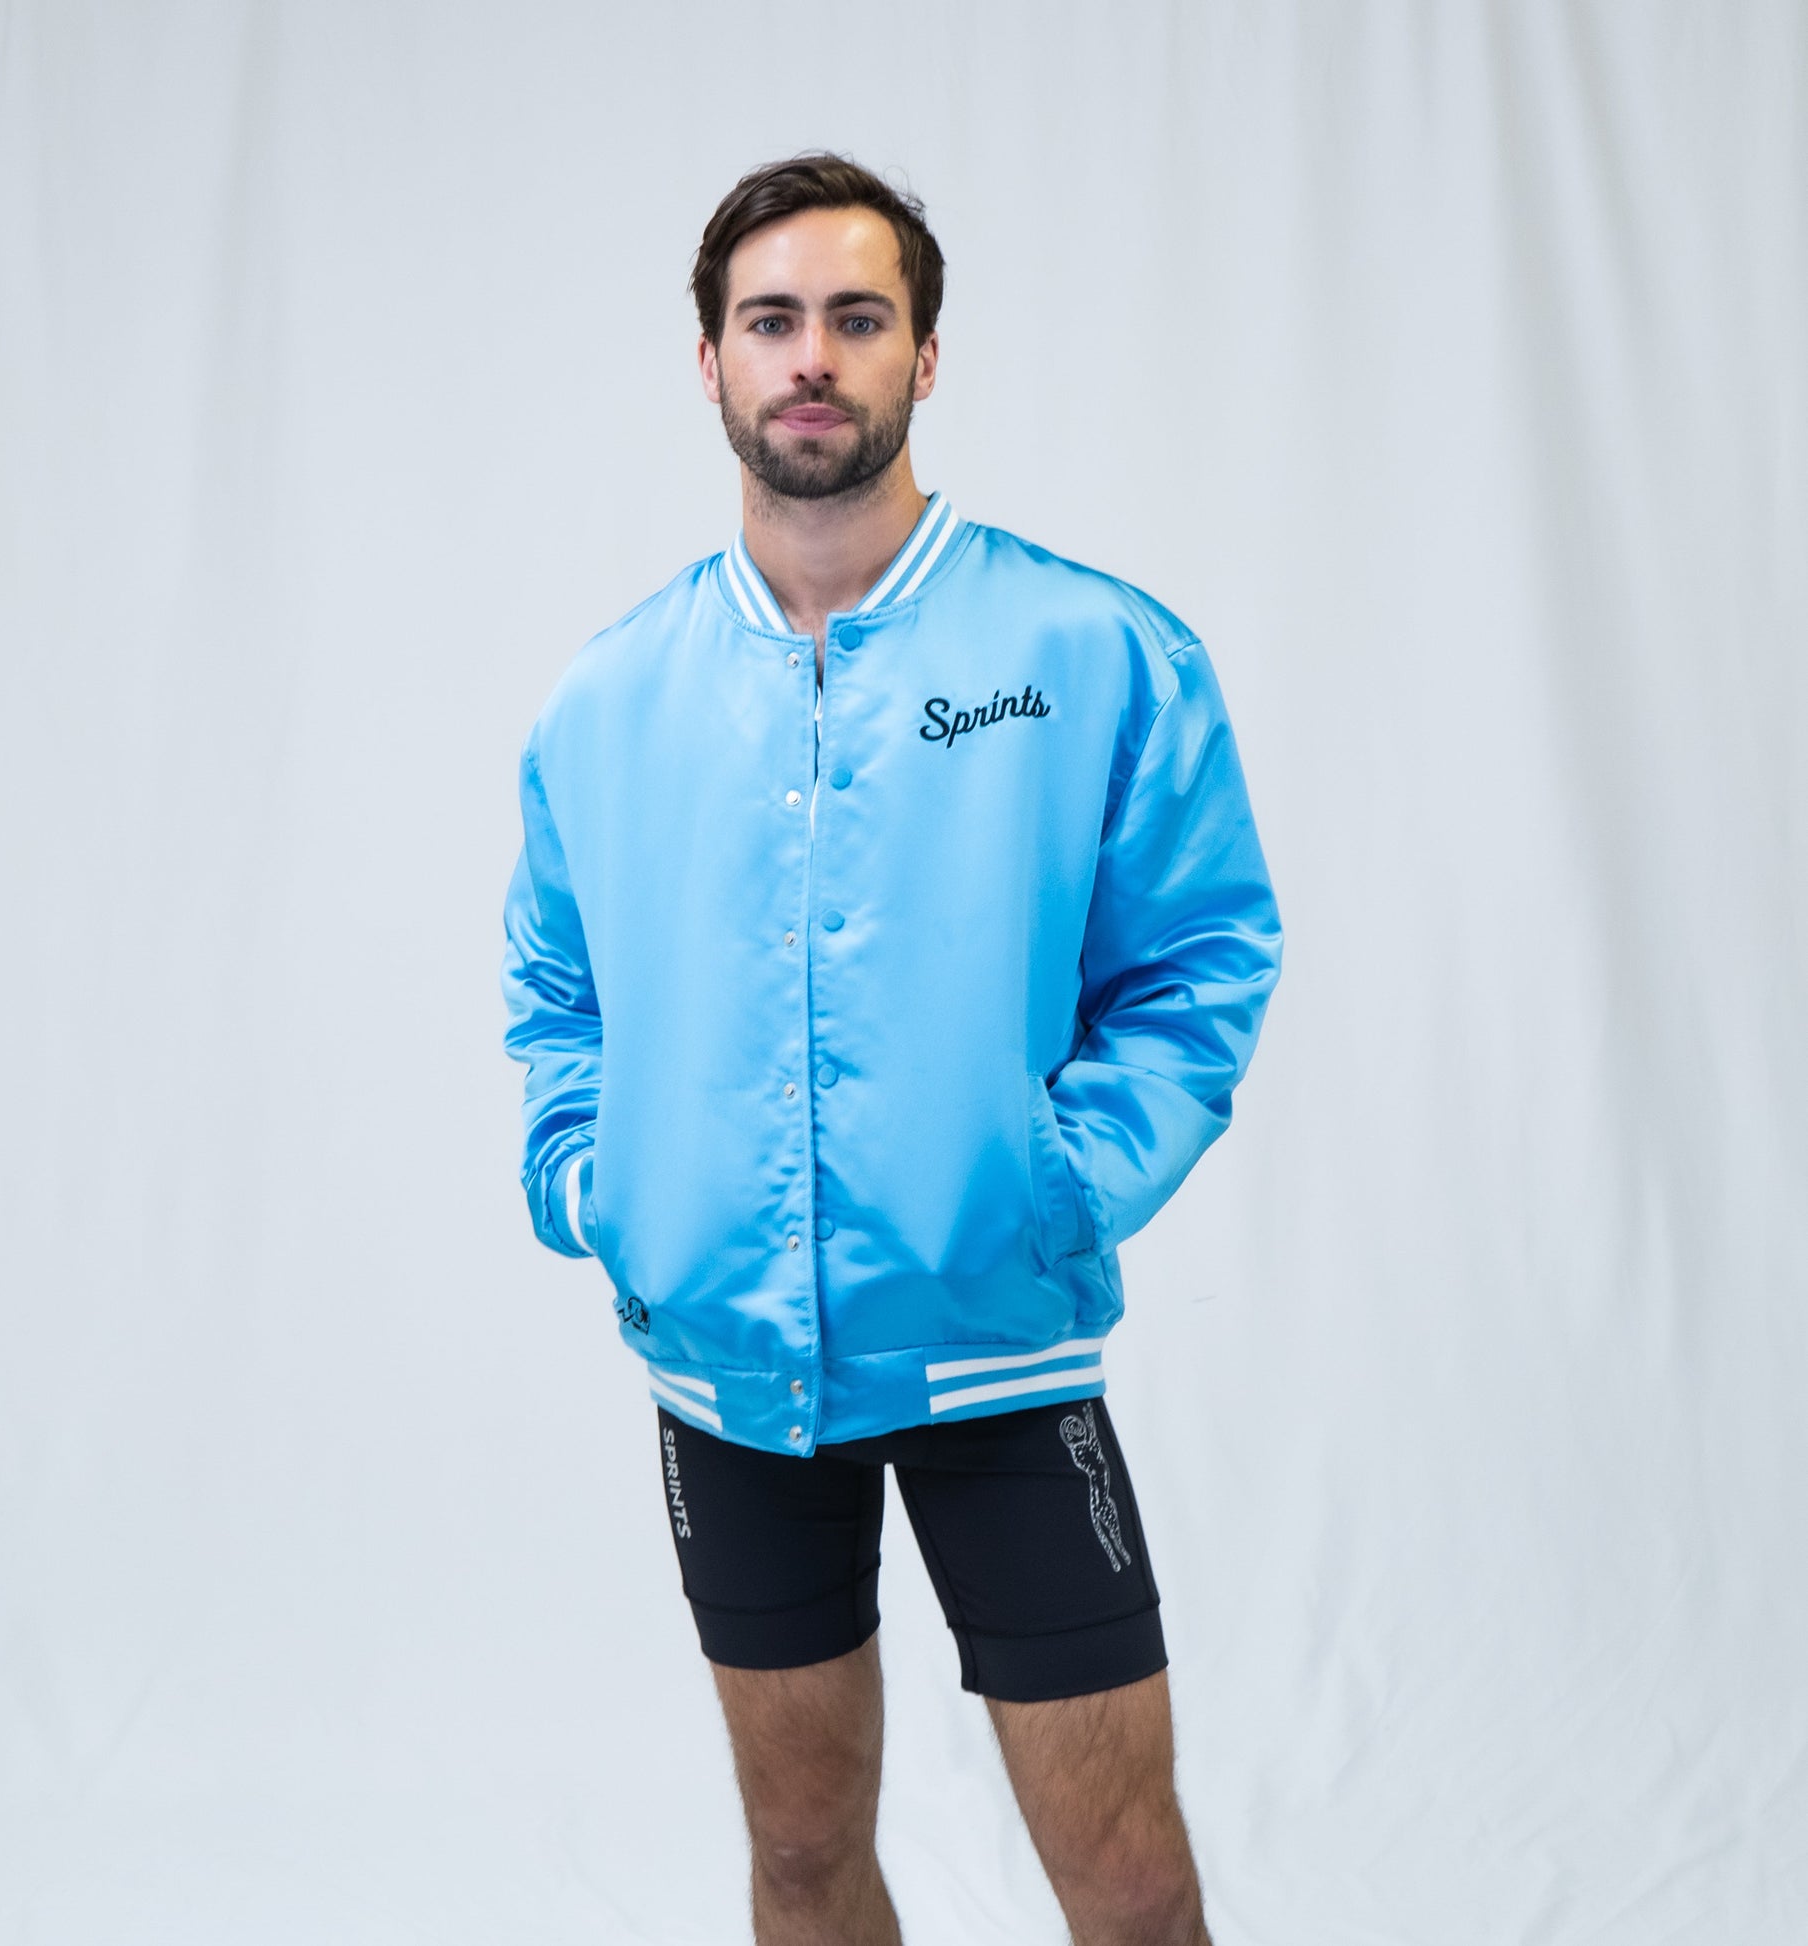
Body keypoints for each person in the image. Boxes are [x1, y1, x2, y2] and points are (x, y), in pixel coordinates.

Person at [500, 152, 1282, 1946]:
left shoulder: (1088, 648)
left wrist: (1055, 1184)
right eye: (769, 320)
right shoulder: (609, 697)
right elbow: (555, 987)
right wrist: (599, 1184)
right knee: (796, 1859)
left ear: (923, 357)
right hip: (726, 1371)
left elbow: (1200, 958)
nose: (811, 357)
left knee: (1130, 1886)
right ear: (708, 360)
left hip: (997, 1350)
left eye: (856, 319)